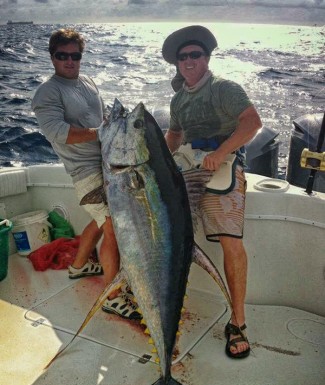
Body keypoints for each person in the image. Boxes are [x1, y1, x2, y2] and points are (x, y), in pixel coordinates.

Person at [162, 25, 262, 358]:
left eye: (195, 54)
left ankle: (238, 322)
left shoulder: (224, 88)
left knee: (231, 241)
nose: (189, 61)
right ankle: (158, 304)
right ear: (176, 63)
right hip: (188, 165)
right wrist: (158, 166)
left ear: (206, 58)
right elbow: (174, 137)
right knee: (164, 233)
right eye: (183, 57)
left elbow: (252, 122)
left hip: (223, 164)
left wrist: (221, 153)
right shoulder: (178, 99)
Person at [31, 28, 140, 320]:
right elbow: (58, 133)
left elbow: (101, 119)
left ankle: (80, 265)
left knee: (102, 219)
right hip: (85, 172)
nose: (69, 61)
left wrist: (114, 126)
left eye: (75, 55)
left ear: (81, 56)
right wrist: (102, 132)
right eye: (62, 55)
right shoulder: (47, 92)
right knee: (113, 229)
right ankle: (113, 297)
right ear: (52, 57)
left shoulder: (89, 82)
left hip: (107, 165)